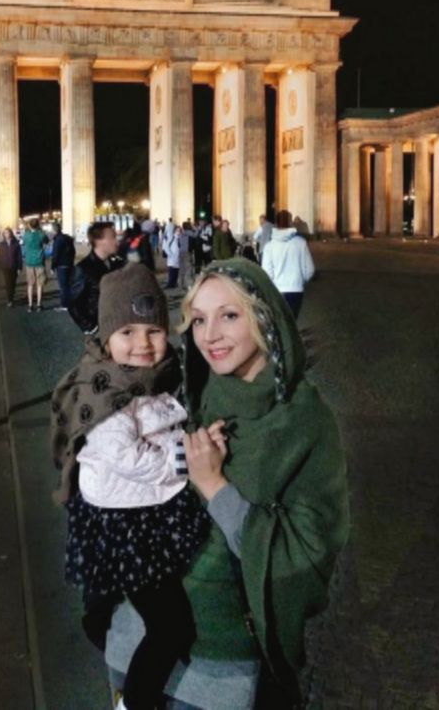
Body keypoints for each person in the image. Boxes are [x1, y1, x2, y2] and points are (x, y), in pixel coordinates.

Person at [105, 258, 349, 710]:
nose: (210, 335)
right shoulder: (190, 394)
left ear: (264, 317)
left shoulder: (304, 422)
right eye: (199, 320)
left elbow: (308, 558)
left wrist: (214, 487)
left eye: (229, 315)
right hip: (132, 639)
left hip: (216, 666)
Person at [51, 264, 211, 710]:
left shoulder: (153, 376)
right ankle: (135, 701)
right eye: (127, 332)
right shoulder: (105, 391)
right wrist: (188, 457)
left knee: (114, 595)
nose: (143, 343)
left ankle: (101, 622)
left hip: (140, 511)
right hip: (125, 524)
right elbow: (129, 457)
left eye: (153, 330)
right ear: (107, 339)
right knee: (170, 626)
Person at [68, 222, 124, 335]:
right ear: (99, 241)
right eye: (113, 237)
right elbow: (74, 303)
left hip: (120, 323)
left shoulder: (118, 263)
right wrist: (91, 327)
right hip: (100, 327)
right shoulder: (83, 268)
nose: (117, 241)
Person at [261, 211, 315, 319]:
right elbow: (310, 269)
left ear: (276, 224)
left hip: (277, 290)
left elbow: (266, 273)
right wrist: (301, 280)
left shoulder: (269, 246)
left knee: (280, 322)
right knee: (293, 321)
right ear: (291, 223)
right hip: (296, 290)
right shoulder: (301, 243)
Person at [22, 217, 49, 312]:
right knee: (39, 285)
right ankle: (39, 305)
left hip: (29, 262)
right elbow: (47, 241)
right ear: (38, 225)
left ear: (29, 225)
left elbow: (23, 243)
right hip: (39, 261)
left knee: (30, 284)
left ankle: (30, 305)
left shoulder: (26, 235)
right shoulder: (41, 234)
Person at [51, 222, 76, 311]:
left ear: (54, 230)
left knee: (63, 286)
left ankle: (65, 304)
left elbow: (55, 254)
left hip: (61, 265)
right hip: (69, 264)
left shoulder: (58, 240)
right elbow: (73, 251)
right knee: (68, 285)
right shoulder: (67, 238)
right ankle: (71, 303)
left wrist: (53, 266)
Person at [0, 227, 22, 307]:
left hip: (14, 266)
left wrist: (19, 267)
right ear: (3, 234)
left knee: (13, 284)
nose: (6, 234)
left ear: (11, 233)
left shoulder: (16, 244)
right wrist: (0, 265)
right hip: (6, 267)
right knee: (8, 284)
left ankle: (11, 297)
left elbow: (19, 256)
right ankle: (10, 300)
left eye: (8, 232)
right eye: (5, 233)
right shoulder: (2, 244)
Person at [163, 225, 182, 289]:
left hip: (177, 258)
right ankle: (170, 284)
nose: (178, 232)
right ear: (174, 231)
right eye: (177, 231)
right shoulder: (172, 238)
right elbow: (166, 247)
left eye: (179, 231)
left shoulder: (179, 238)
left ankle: (174, 283)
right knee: (171, 271)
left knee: (176, 271)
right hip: (172, 258)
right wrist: (170, 255)